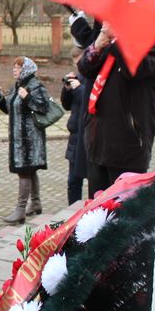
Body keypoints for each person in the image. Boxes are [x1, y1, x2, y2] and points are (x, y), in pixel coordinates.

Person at [78, 22, 155, 196]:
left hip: (128, 145)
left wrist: (119, 39)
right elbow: (85, 69)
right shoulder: (110, 42)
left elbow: (135, 70)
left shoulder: (153, 43)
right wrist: (98, 43)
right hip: (98, 141)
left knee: (122, 213)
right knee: (96, 211)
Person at [0, 57, 49, 224]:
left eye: (18, 67)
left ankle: (20, 210)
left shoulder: (35, 85)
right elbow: (11, 109)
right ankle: (36, 203)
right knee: (30, 170)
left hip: (30, 140)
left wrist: (28, 98)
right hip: (19, 138)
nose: (14, 70)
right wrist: (1, 99)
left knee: (25, 171)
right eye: (14, 67)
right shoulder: (17, 85)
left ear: (26, 70)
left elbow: (43, 107)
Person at [61, 46, 90, 204]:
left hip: (88, 136)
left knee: (93, 181)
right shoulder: (78, 78)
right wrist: (66, 90)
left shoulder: (91, 79)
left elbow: (89, 101)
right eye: (75, 64)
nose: (79, 68)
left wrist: (79, 88)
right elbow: (66, 105)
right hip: (75, 137)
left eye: (80, 63)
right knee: (73, 182)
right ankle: (72, 211)